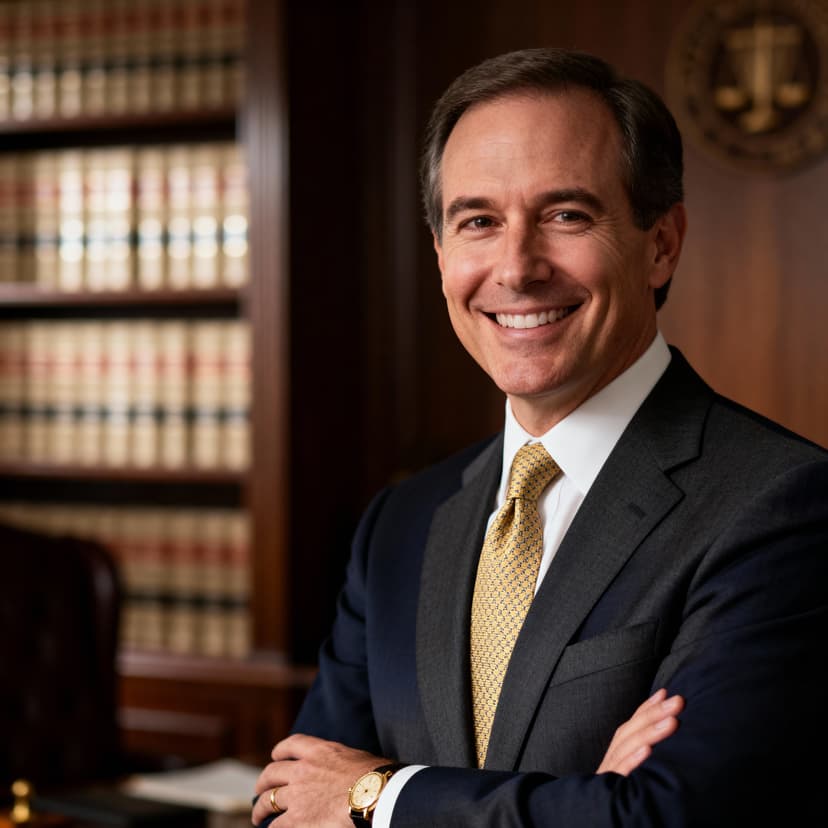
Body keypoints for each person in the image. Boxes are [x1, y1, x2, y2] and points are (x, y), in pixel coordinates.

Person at [251, 47, 828, 826]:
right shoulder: (401, 524)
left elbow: (667, 819)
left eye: (566, 215)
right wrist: (581, 801)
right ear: (441, 254)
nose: (516, 268)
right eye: (478, 222)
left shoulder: (780, 506)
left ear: (661, 244)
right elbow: (291, 804)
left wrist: (377, 795)